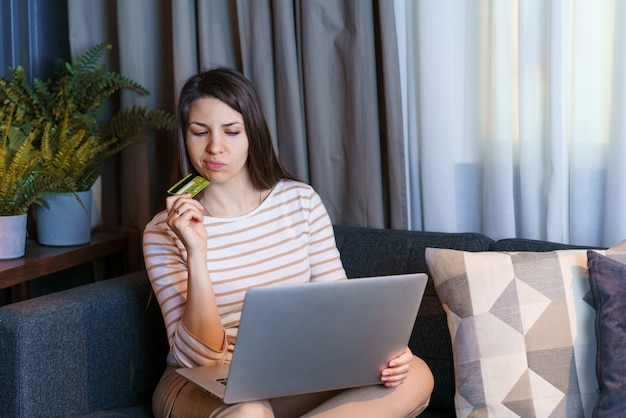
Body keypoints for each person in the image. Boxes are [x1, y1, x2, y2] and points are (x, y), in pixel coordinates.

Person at [143, 67, 434, 418]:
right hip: (199, 383)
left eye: (231, 131)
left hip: (291, 374)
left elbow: (339, 308)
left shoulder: (300, 201)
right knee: (248, 413)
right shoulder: (163, 231)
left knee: (415, 374)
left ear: (253, 133)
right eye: (199, 132)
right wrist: (196, 252)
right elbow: (198, 356)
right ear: (184, 137)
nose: (214, 147)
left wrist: (381, 355)